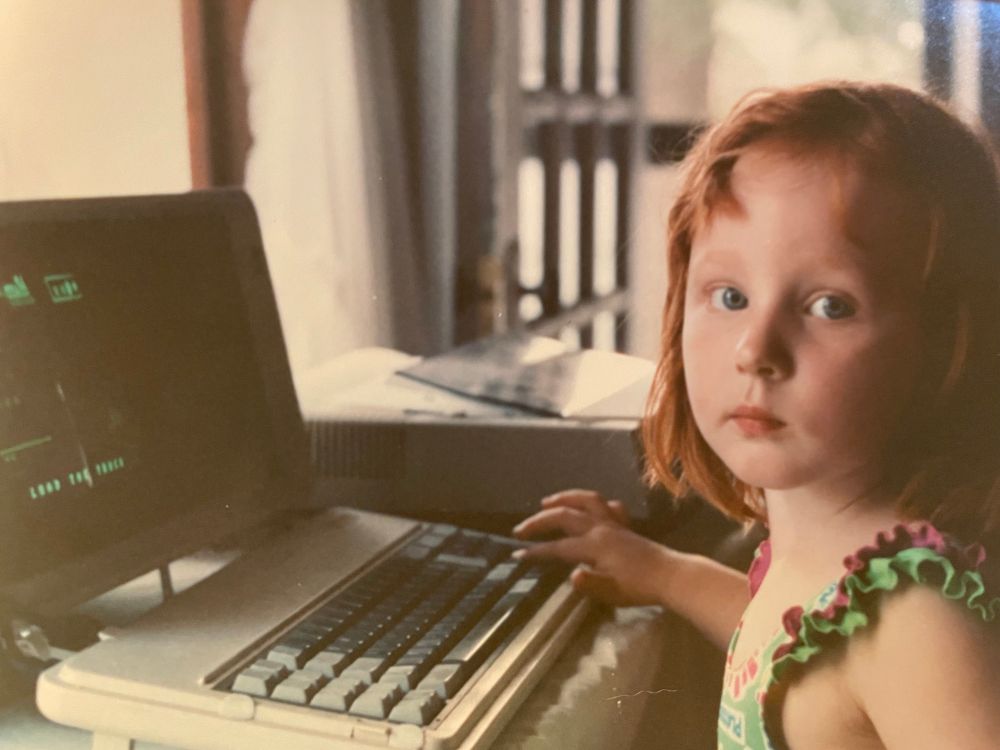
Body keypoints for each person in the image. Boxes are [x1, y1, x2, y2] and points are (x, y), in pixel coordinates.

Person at [512, 81, 1000, 749]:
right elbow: (785, 638)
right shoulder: (827, 559)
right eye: (731, 295)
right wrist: (659, 569)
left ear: (948, 346)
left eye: (831, 306)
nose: (756, 350)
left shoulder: (916, 626)